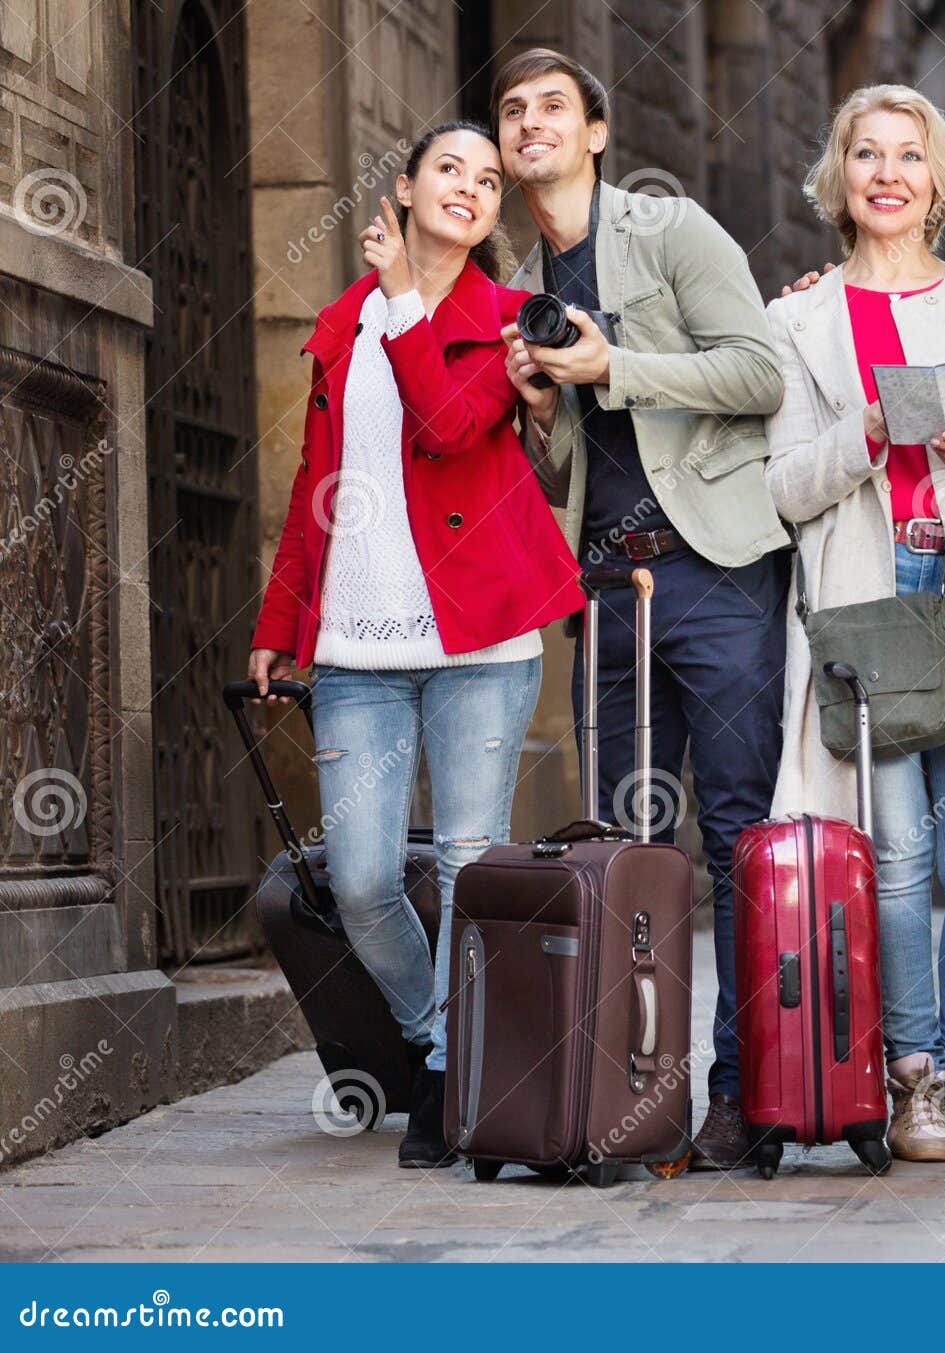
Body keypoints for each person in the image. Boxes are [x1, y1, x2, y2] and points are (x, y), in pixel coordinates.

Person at [247, 121, 583, 1169]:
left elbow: (444, 424)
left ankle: (450, 1081)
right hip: (356, 642)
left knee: (472, 865)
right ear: (403, 187)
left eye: (490, 180)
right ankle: (439, 1038)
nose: (473, 188)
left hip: (481, 639)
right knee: (357, 880)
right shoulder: (339, 324)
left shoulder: (503, 323)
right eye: (452, 169)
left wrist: (401, 301)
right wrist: (277, 625)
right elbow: (314, 491)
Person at [492, 49, 789, 1169]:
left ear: (596, 132)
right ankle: (629, 1095)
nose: (530, 125)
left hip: (713, 573)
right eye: (513, 112)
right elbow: (560, 471)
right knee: (623, 846)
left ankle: (741, 1099)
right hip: (610, 593)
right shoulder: (522, 281)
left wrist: (618, 367)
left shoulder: (672, 234)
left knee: (735, 836)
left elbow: (758, 374)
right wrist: (535, 408)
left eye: (552, 109)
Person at [764, 85, 945, 1164]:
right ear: (838, 180)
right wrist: (866, 431)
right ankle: (914, 1086)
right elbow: (783, 489)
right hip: (864, 615)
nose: (887, 174)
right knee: (896, 859)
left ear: (939, 179)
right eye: (865, 155)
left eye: (907, 156)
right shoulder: (795, 321)